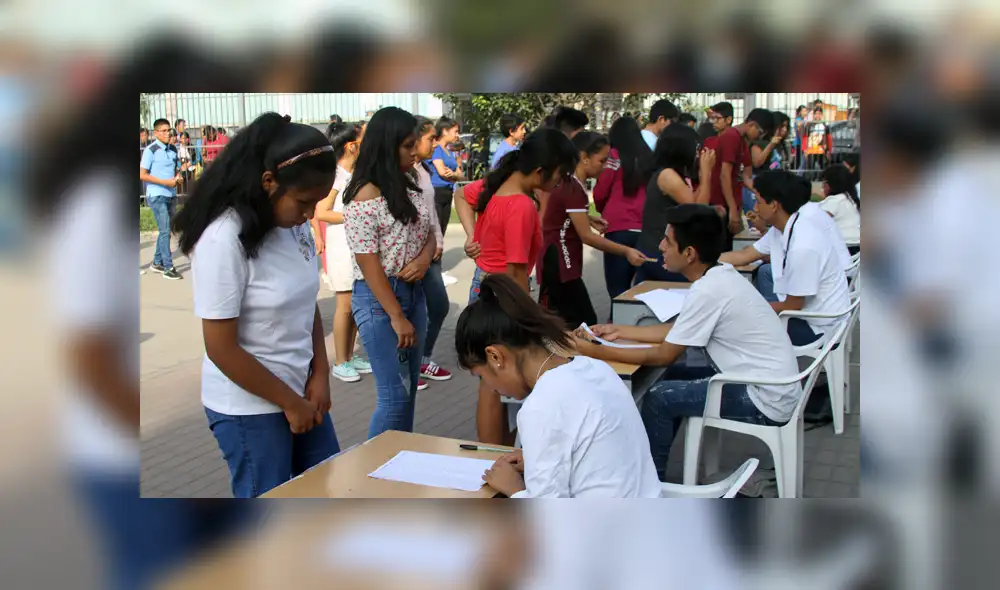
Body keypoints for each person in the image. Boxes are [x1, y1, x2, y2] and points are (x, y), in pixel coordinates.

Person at [172, 112, 341, 498]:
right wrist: (289, 403)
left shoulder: (293, 224)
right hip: (250, 408)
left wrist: (319, 374)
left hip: (301, 394)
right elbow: (221, 348)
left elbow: (305, 303)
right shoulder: (222, 238)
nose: (310, 214)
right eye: (303, 202)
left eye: (317, 201)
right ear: (269, 183)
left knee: (325, 493)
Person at [571, 204, 800, 479]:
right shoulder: (719, 275)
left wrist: (594, 351)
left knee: (660, 397)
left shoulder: (709, 289)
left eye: (668, 240)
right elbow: (677, 330)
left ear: (690, 253)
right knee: (677, 373)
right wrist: (618, 330)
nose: (660, 246)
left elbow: (663, 354)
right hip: (768, 383)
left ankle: (649, 482)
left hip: (765, 398)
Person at [457, 275, 662, 498]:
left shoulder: (542, 405)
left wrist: (513, 488)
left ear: (495, 356)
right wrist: (538, 459)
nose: (492, 388)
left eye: (482, 376)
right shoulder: (594, 368)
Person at [452, 127, 577, 445]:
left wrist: (472, 235)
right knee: (495, 379)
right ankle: (495, 452)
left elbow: (461, 195)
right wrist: (533, 323)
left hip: (488, 289)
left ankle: (492, 451)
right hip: (506, 293)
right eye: (560, 175)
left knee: (489, 377)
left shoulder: (498, 187)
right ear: (539, 171)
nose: (560, 183)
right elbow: (517, 272)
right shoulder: (521, 205)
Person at [343, 106, 435, 439]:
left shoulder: (408, 184)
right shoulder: (363, 196)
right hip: (381, 300)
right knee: (394, 396)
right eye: (408, 145)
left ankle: (400, 462)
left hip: (414, 295)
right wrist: (396, 315)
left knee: (408, 393)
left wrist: (424, 260)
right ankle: (373, 476)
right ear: (386, 145)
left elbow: (430, 236)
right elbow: (368, 264)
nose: (415, 151)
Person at [720, 170, 850, 346]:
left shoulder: (803, 245)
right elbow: (745, 255)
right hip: (808, 316)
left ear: (774, 205)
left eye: (758, 202)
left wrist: (748, 309)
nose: (756, 208)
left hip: (819, 328)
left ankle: (757, 372)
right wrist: (704, 261)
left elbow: (793, 306)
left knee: (732, 326)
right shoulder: (783, 227)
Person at [538, 131, 648, 327]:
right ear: (584, 158)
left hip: (559, 259)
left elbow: (561, 215)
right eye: (602, 160)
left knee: (558, 321)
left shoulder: (571, 183)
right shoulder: (572, 188)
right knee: (583, 321)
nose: (605, 166)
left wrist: (587, 218)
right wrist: (625, 251)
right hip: (560, 261)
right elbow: (587, 237)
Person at [312, 122, 375, 384]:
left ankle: (350, 355)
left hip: (354, 246)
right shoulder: (336, 176)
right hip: (340, 247)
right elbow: (322, 211)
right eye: (362, 141)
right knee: (345, 305)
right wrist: (354, 215)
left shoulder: (353, 174)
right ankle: (340, 360)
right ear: (351, 146)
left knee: (355, 304)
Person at [635, 124, 717, 284]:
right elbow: (699, 210)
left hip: (660, 248)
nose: (698, 153)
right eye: (695, 147)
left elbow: (694, 201)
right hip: (660, 251)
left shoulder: (672, 173)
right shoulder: (667, 175)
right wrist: (706, 173)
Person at [411, 116, 453, 384]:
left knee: (438, 306)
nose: (435, 143)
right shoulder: (400, 173)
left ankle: (422, 358)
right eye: (431, 138)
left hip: (430, 251)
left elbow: (430, 214)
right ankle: (410, 364)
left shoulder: (425, 169)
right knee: (412, 309)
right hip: (411, 256)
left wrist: (438, 240)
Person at [593, 115, 653, 299]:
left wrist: (604, 213)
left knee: (617, 289)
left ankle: (615, 323)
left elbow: (601, 191)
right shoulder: (650, 157)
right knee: (641, 288)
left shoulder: (613, 157)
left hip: (618, 228)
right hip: (645, 227)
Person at [708, 102, 769, 249]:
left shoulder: (742, 141)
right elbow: (724, 175)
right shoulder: (731, 137)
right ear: (752, 125)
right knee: (720, 251)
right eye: (760, 133)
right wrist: (733, 210)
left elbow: (745, 176)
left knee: (728, 246)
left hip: (731, 202)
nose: (758, 138)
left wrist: (761, 194)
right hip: (720, 204)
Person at [139, 119, 183, 280]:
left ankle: (157, 262)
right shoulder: (151, 150)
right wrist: (165, 182)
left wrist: (178, 179)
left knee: (167, 230)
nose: (167, 133)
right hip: (156, 195)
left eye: (168, 130)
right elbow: (142, 174)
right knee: (165, 230)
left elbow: (175, 170)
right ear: (156, 133)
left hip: (170, 194)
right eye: (163, 131)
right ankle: (168, 267)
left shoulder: (172, 149)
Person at [427, 116, 463, 237]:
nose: (457, 135)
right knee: (436, 232)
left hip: (447, 193)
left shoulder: (449, 152)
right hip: (437, 193)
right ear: (445, 131)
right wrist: (455, 175)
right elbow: (442, 172)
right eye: (455, 131)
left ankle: (439, 256)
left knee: (442, 230)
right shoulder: (436, 149)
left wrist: (454, 174)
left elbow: (460, 174)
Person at [819, 164, 861, 251]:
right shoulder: (851, 199)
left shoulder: (834, 201)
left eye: (824, 183)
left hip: (843, 247)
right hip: (857, 247)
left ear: (831, 183)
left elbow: (818, 222)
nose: (822, 187)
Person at [804, 106, 828, 173]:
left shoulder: (824, 125)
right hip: (811, 149)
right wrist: (805, 149)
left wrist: (825, 145)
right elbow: (805, 137)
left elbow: (825, 136)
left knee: (822, 166)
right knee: (810, 167)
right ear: (814, 115)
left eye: (819, 114)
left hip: (820, 149)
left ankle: (822, 179)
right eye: (816, 113)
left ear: (822, 115)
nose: (817, 115)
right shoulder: (809, 125)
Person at [793, 105, 808, 170]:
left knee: (798, 160)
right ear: (799, 112)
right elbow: (800, 132)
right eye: (804, 111)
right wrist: (803, 143)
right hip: (799, 143)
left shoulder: (802, 120)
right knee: (798, 161)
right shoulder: (799, 120)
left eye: (806, 110)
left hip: (800, 143)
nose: (806, 112)